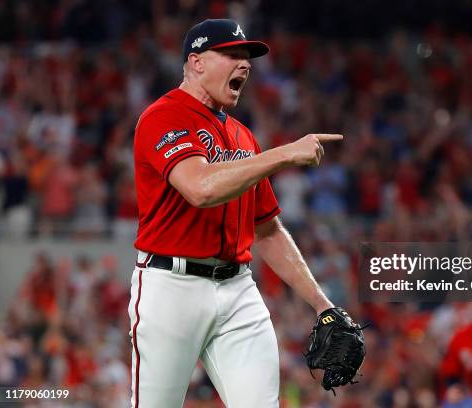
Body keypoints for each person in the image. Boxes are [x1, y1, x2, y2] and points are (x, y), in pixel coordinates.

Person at [129, 18, 345, 408]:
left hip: (238, 288)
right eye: (231, 55)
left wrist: (321, 303)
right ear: (196, 62)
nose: (244, 64)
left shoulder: (243, 137)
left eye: (246, 57)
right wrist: (283, 154)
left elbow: (267, 230)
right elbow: (200, 187)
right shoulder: (163, 116)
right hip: (171, 288)